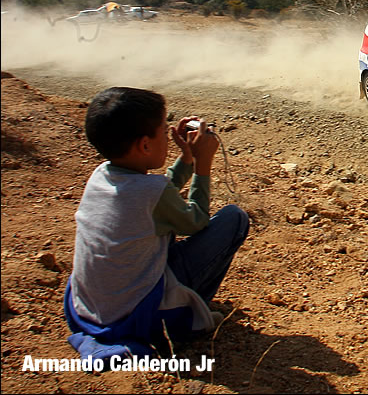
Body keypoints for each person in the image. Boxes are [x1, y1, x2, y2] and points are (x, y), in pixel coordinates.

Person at [63, 86, 249, 362]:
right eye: (163, 131)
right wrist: (202, 166)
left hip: (89, 306)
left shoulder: (102, 174)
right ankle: (187, 318)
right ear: (145, 145)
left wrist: (186, 158)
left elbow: (158, 198)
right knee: (234, 219)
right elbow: (195, 222)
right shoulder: (150, 192)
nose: (167, 135)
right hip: (138, 313)